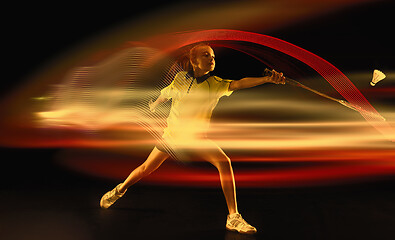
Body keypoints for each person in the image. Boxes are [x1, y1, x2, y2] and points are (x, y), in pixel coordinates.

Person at [100, 43, 285, 234]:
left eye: (212, 56)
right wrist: (155, 103)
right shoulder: (180, 79)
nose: (211, 58)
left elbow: (239, 83)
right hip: (172, 137)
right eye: (206, 55)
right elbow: (167, 92)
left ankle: (233, 217)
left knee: (224, 162)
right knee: (146, 168)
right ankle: (120, 190)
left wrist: (267, 79)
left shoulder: (216, 84)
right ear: (194, 61)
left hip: (197, 139)